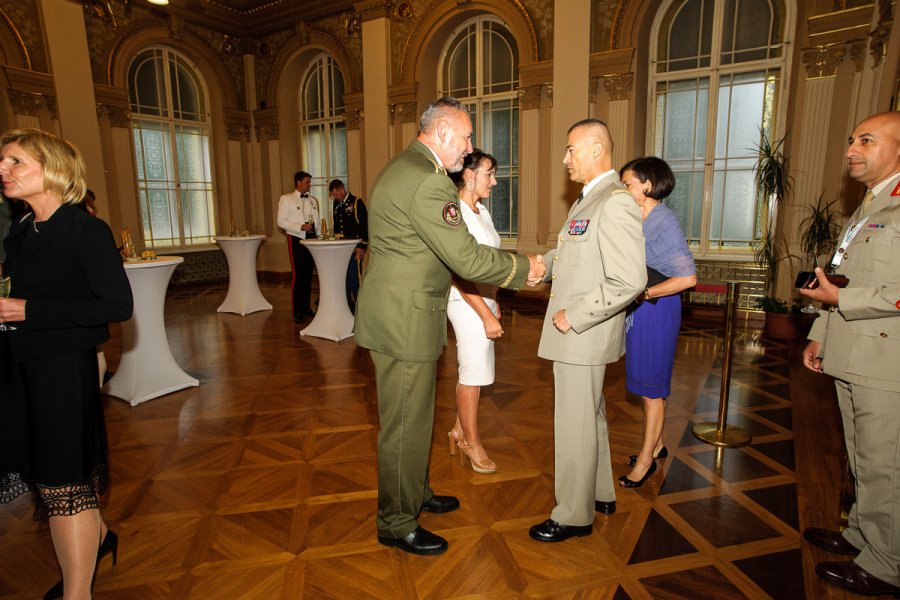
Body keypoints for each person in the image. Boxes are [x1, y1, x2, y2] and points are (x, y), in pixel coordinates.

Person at [354, 97, 545, 556]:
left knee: (416, 417)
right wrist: (524, 270)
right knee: (404, 425)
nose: (469, 146)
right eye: (466, 136)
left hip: (401, 312)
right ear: (442, 132)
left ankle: (415, 494)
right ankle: (396, 522)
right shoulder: (428, 181)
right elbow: (464, 257)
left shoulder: (406, 166)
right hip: (404, 319)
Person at [0, 128, 133, 599]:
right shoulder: (21, 229)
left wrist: (29, 311)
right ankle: (100, 537)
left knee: (64, 485)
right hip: (22, 366)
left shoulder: (85, 230)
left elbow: (117, 305)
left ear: (52, 168)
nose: (3, 170)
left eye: (15, 161)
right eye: (2, 162)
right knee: (50, 474)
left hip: (62, 371)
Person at [529, 118, 646, 543]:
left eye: (571, 149)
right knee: (588, 416)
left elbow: (630, 280)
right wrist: (542, 266)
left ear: (597, 150)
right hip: (581, 336)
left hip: (582, 332)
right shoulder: (591, 199)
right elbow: (577, 254)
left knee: (573, 424)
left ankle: (573, 515)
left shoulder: (613, 201)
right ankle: (599, 494)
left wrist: (576, 315)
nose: (565, 159)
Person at [800, 111, 900, 596]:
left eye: (866, 140)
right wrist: (821, 331)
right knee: (862, 456)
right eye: (851, 140)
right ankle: (862, 536)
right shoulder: (870, 205)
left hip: (886, 361)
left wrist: (839, 300)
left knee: (886, 465)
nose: (851, 150)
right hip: (853, 350)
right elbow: (846, 275)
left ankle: (886, 566)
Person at [618, 157, 696, 487]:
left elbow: (688, 278)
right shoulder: (639, 216)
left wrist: (646, 293)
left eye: (627, 184)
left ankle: (646, 460)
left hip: (657, 309)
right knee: (646, 384)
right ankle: (658, 445)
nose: (623, 189)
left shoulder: (664, 221)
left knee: (652, 390)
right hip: (642, 308)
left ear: (647, 185)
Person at [446, 149, 503, 474]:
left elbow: (490, 262)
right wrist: (486, 313)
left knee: (476, 371)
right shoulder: (456, 214)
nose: (494, 181)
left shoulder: (480, 211)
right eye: (489, 174)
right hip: (466, 303)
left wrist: (495, 301)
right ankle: (472, 443)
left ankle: (458, 430)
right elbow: (459, 272)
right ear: (469, 175)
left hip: (485, 300)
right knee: (471, 375)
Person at [277, 170, 320, 322]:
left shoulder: (313, 200)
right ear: (299, 182)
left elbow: (317, 222)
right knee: (299, 275)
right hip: (297, 238)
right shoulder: (287, 199)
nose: (310, 185)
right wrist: (300, 227)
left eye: (310, 182)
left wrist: (319, 237)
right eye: (307, 182)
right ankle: (297, 311)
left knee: (308, 275)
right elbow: (281, 221)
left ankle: (306, 307)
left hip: (312, 240)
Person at [329, 179, 368, 313]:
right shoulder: (336, 204)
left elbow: (365, 226)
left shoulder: (356, 202)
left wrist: (362, 246)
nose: (335, 197)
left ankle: (360, 309)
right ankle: (347, 307)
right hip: (341, 248)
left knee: (355, 278)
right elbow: (337, 225)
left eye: (335, 194)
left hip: (354, 249)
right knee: (344, 279)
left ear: (341, 190)